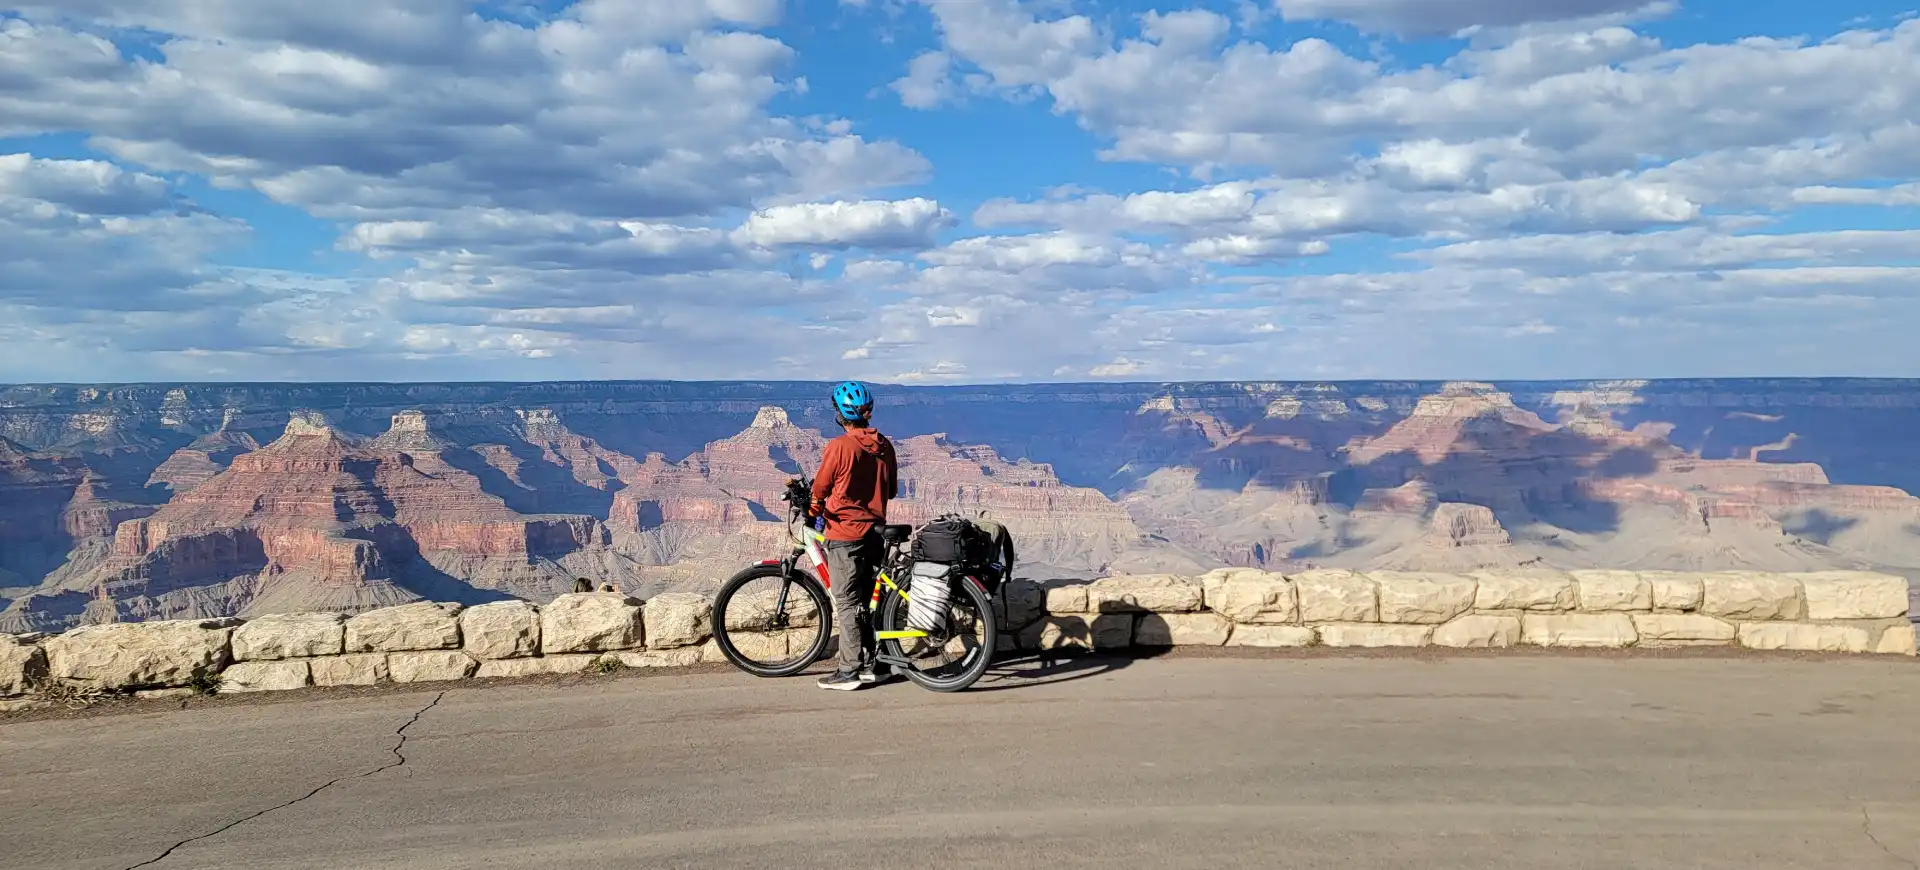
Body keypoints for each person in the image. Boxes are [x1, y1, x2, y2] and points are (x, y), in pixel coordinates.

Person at [810, 380, 899, 691]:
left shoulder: (840, 446)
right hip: (877, 532)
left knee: (847, 602)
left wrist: (816, 504)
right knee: (874, 600)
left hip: (845, 533)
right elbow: (892, 489)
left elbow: (820, 488)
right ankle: (881, 664)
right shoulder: (885, 445)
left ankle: (849, 670)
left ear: (840, 413)